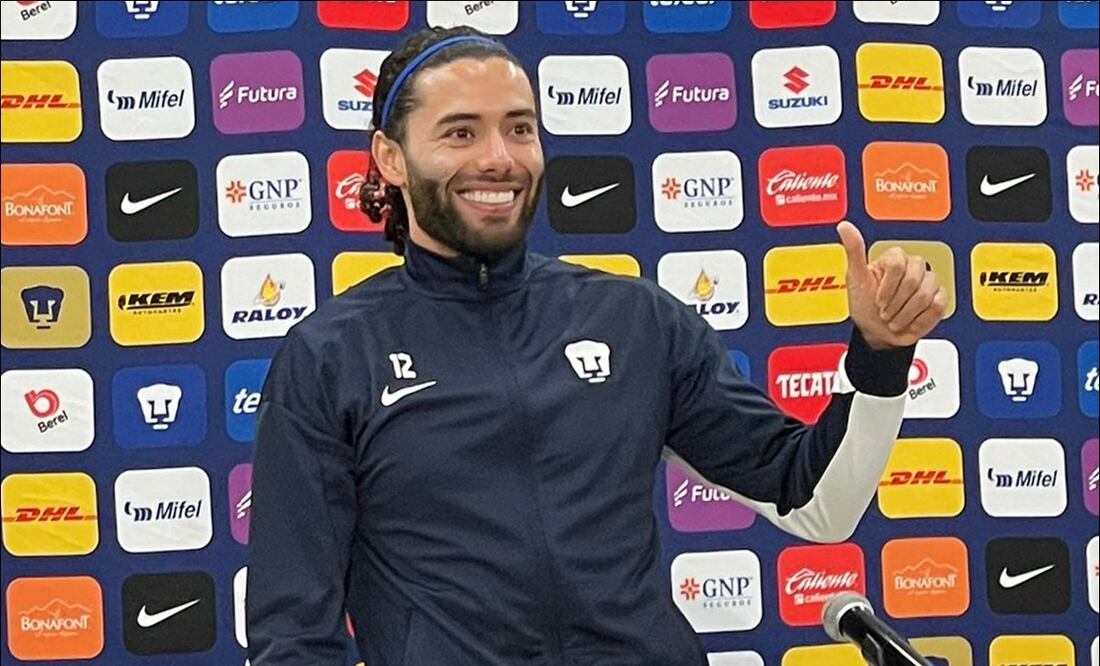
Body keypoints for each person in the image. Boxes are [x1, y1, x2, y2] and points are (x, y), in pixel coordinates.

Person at [246, 26, 947, 666]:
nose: (498, 158)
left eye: (518, 129)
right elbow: (294, 638)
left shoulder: (634, 319)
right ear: (391, 159)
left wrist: (880, 354)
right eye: (460, 133)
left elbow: (816, 503)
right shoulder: (331, 357)